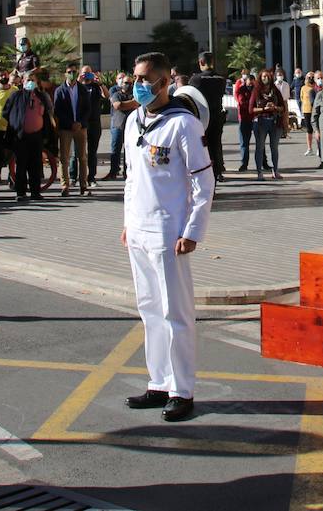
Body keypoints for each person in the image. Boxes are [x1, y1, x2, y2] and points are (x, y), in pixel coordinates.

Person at [121, 51, 215, 423]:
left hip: (169, 231)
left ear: (164, 82)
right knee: (149, 309)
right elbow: (132, 178)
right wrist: (128, 223)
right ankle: (158, 382)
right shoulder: (133, 121)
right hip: (140, 229)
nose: (138, 85)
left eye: (145, 79)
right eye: (135, 77)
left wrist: (193, 230)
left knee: (175, 312)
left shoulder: (183, 124)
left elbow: (203, 180)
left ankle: (182, 390)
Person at [3, 72, 53, 202]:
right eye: (27, 80)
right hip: (20, 136)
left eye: (32, 80)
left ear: (36, 82)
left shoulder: (41, 97)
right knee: (21, 165)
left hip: (37, 136)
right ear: (22, 82)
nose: (30, 82)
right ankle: (21, 192)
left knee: (35, 165)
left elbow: (47, 115)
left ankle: (35, 192)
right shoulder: (16, 96)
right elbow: (6, 112)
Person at [53, 66, 95, 195]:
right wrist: (70, 123)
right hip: (66, 128)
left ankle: (83, 186)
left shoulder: (82, 89)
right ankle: (65, 186)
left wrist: (80, 123)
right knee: (64, 158)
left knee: (82, 157)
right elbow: (57, 110)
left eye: (74, 72)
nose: (72, 74)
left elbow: (88, 109)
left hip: (80, 128)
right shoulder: (60, 90)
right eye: (69, 72)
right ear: (65, 74)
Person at [187, 52, 228, 180]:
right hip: (217, 117)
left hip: (202, 118)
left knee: (202, 147)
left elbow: (190, 95)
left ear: (201, 62)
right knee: (216, 144)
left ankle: (204, 173)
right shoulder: (221, 78)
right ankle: (218, 171)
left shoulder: (196, 79)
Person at [249, 69, 286, 181]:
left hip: (274, 122)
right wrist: (264, 109)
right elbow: (251, 109)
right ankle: (259, 172)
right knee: (260, 147)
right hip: (260, 122)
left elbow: (283, 107)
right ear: (260, 78)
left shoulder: (275, 90)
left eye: (267, 76)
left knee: (274, 147)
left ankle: (275, 171)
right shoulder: (256, 91)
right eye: (263, 76)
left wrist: (275, 107)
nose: (266, 78)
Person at [73, 67, 104, 190]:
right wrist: (78, 82)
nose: (86, 75)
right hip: (81, 123)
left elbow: (106, 96)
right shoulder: (77, 87)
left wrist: (100, 83)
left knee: (92, 152)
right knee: (77, 152)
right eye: (84, 73)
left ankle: (91, 177)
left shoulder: (96, 87)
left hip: (94, 122)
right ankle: (74, 177)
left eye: (89, 73)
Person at [105, 73, 135, 180]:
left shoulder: (134, 94)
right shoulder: (116, 94)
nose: (128, 85)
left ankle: (127, 173)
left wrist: (126, 104)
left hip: (131, 128)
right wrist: (132, 103)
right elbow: (118, 105)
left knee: (129, 151)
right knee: (115, 150)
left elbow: (139, 104)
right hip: (117, 126)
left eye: (130, 83)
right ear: (121, 84)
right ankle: (113, 172)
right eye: (126, 83)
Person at [234, 72, 256, 172]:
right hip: (244, 119)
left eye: (252, 82)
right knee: (244, 143)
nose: (251, 83)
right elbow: (242, 102)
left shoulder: (257, 90)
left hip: (255, 119)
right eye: (249, 81)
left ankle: (263, 163)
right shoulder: (241, 90)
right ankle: (244, 164)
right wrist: (253, 105)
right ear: (246, 81)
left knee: (260, 143)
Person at [299, 74, 318, 156]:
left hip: (316, 111)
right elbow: (301, 98)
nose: (310, 79)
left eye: (312, 77)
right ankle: (309, 148)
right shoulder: (303, 88)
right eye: (308, 77)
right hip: (307, 110)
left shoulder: (317, 87)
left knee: (317, 129)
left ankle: (319, 148)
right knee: (309, 130)